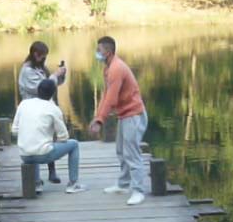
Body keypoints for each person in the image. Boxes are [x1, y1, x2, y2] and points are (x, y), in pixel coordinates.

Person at [89, 36, 148, 206]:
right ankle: (123, 185)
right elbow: (106, 96)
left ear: (108, 52)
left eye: (98, 50)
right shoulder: (108, 68)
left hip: (134, 114)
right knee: (121, 150)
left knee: (132, 153)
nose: (97, 53)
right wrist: (97, 116)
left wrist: (100, 121)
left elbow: (112, 100)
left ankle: (138, 191)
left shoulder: (116, 69)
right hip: (124, 114)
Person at [12, 79, 87, 194]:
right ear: (53, 93)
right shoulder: (53, 109)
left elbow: (14, 130)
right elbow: (64, 137)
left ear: (38, 90)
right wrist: (52, 137)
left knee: (34, 141)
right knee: (74, 144)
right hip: (43, 155)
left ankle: (36, 183)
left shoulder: (24, 104)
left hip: (24, 155)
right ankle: (73, 183)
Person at [18, 41, 67, 184]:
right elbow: (42, 87)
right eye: (43, 57)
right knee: (35, 141)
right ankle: (36, 177)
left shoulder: (39, 68)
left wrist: (61, 75)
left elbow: (52, 85)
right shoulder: (27, 71)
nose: (44, 59)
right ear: (35, 54)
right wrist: (54, 75)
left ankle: (52, 172)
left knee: (48, 139)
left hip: (45, 108)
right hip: (31, 111)